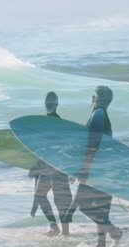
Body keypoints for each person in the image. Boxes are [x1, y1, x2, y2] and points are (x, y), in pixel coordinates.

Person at [63, 86, 123, 247]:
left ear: (95, 99)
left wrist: (83, 169)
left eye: (94, 96)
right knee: (102, 209)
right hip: (106, 168)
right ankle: (101, 243)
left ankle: (114, 232)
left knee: (84, 205)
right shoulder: (103, 116)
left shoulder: (98, 115)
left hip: (96, 169)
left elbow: (92, 145)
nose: (92, 99)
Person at [28, 91, 73, 236]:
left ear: (57, 104)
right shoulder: (46, 122)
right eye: (48, 102)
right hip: (49, 166)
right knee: (41, 195)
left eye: (51, 102)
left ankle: (64, 232)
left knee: (60, 200)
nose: (49, 104)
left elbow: (55, 147)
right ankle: (55, 226)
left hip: (56, 167)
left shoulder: (55, 123)